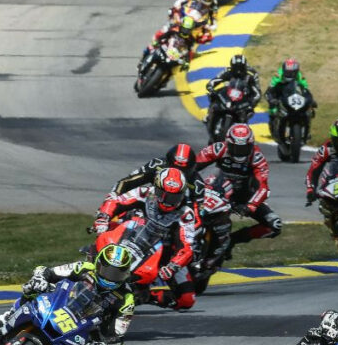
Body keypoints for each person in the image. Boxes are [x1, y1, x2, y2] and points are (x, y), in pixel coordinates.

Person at [0, 244, 136, 345]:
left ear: (126, 274)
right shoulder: (83, 268)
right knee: (34, 287)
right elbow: (48, 271)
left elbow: (118, 331)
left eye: (117, 274)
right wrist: (41, 278)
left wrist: (111, 343)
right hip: (60, 304)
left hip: (89, 329)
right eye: (108, 271)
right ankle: (10, 315)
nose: (111, 278)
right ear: (98, 264)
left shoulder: (126, 298)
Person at [97, 168, 202, 310]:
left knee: (187, 299)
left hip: (162, 253)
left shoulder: (185, 214)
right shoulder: (145, 193)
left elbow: (186, 248)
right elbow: (116, 202)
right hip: (132, 236)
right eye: (163, 195)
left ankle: (145, 295)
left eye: (172, 198)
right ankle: (89, 265)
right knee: (105, 234)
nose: (167, 202)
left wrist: (172, 266)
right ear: (156, 189)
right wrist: (103, 218)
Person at [196, 123, 281, 254]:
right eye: (235, 148)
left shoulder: (257, 158)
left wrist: (251, 206)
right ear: (227, 143)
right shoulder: (218, 148)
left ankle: (233, 240)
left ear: (251, 145)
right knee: (200, 213)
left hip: (245, 197)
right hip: (218, 192)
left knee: (274, 225)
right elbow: (193, 166)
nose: (239, 152)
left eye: (244, 148)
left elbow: (263, 187)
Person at [93, 144, 204, 234]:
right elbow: (127, 182)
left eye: (183, 170)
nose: (176, 174)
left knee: (196, 239)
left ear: (192, 168)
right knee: (114, 220)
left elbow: (198, 215)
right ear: (167, 163)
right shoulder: (157, 165)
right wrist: (110, 201)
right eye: (174, 168)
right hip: (150, 204)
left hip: (175, 219)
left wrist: (187, 229)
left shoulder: (197, 185)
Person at [205, 54, 262, 132]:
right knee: (214, 97)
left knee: (247, 114)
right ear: (232, 66)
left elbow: (257, 92)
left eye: (240, 68)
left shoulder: (251, 75)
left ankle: (243, 131)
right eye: (236, 68)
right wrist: (211, 87)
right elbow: (215, 80)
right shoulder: (227, 71)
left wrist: (252, 103)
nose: (238, 71)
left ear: (244, 67)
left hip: (242, 100)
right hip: (227, 97)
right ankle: (208, 115)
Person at [265, 57, 317, 139]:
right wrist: (271, 99)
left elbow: (306, 89)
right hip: (280, 94)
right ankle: (273, 126)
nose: (290, 74)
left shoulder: (300, 76)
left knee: (310, 111)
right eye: (288, 72)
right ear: (284, 70)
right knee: (273, 110)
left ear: (296, 72)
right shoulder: (278, 75)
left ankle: (307, 130)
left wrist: (310, 100)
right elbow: (270, 90)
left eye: (292, 73)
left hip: (294, 95)